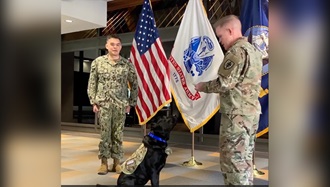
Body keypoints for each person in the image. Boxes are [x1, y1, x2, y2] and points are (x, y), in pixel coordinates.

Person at [194, 15, 262, 185]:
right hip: (250, 114)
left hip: (236, 116)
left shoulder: (236, 51)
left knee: (232, 162)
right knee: (245, 161)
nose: (220, 41)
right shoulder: (254, 51)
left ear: (230, 30)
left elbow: (224, 83)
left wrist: (203, 86)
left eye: (220, 36)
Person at [87, 34, 138, 175]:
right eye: (112, 44)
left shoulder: (127, 64)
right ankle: (103, 162)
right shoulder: (98, 62)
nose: (115, 47)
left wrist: (131, 102)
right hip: (103, 104)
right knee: (105, 134)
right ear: (106, 46)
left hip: (120, 104)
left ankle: (116, 162)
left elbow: (134, 84)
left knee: (118, 134)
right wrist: (94, 101)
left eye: (117, 44)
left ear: (121, 47)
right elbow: (92, 83)